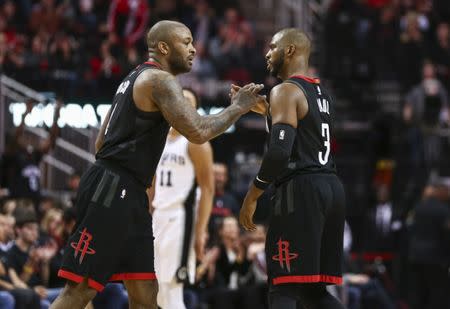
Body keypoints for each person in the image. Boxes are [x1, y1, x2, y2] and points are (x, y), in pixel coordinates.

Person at [50, 20, 264, 309]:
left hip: (126, 190)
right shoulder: (159, 80)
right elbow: (199, 130)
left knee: (145, 294)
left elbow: (101, 141)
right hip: (115, 190)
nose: (193, 49)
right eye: (186, 42)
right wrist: (239, 106)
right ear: (163, 47)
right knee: (78, 292)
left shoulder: (133, 77)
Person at [239, 28, 346, 309]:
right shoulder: (321, 92)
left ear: (289, 51)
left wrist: (253, 195)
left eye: (272, 46)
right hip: (331, 187)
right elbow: (303, 130)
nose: (267, 52)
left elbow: (279, 152)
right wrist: (266, 110)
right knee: (312, 292)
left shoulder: (285, 90)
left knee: (282, 287)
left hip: (301, 191)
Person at [151, 88, 214, 308]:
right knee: (158, 290)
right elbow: (152, 185)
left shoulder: (196, 142)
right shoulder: (159, 139)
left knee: (171, 289)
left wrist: (200, 231)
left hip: (180, 219)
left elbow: (208, 189)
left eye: (188, 100)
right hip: (158, 217)